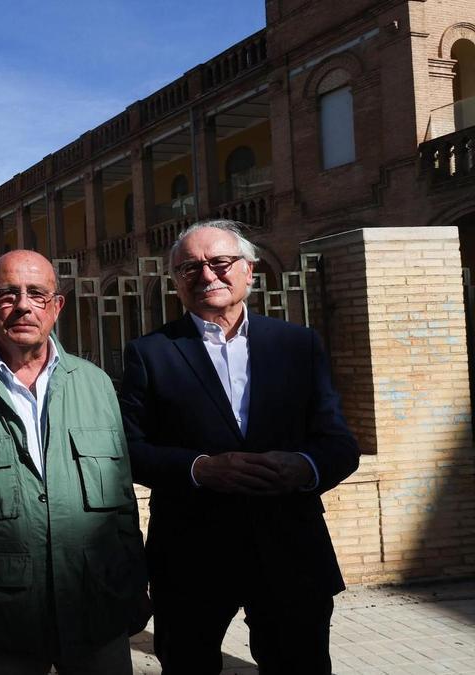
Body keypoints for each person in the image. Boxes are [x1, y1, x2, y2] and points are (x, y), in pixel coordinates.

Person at [118, 220, 361, 675]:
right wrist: (199, 468)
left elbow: (339, 442)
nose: (207, 275)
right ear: (175, 282)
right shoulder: (150, 353)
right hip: (192, 554)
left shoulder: (297, 344)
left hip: (289, 545)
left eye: (220, 263)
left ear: (249, 271)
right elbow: (129, 448)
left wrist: (304, 466)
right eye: (190, 267)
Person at [0, 250, 147, 675]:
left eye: (37, 294)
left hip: (96, 610)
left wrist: (134, 589)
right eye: (7, 294)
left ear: (57, 306)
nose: (23, 305)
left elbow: (122, 503)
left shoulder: (95, 385)